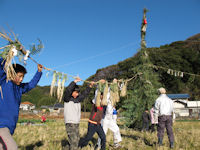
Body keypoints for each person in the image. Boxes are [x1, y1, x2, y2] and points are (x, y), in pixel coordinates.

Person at [0, 57, 43, 150]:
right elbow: (1, 68)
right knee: (12, 147)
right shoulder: (4, 82)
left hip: (10, 126)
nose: (21, 79)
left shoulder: (20, 88)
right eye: (19, 76)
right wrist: (6, 58)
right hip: (1, 126)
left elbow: (31, 85)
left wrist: (38, 72)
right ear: (11, 73)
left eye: (23, 77)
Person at [63, 78, 94, 150]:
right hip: (70, 123)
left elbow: (85, 94)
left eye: (78, 93)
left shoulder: (78, 99)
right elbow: (68, 90)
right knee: (74, 141)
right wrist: (74, 82)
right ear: (72, 92)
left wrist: (90, 86)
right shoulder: (67, 99)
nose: (77, 94)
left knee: (76, 140)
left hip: (76, 122)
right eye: (76, 92)